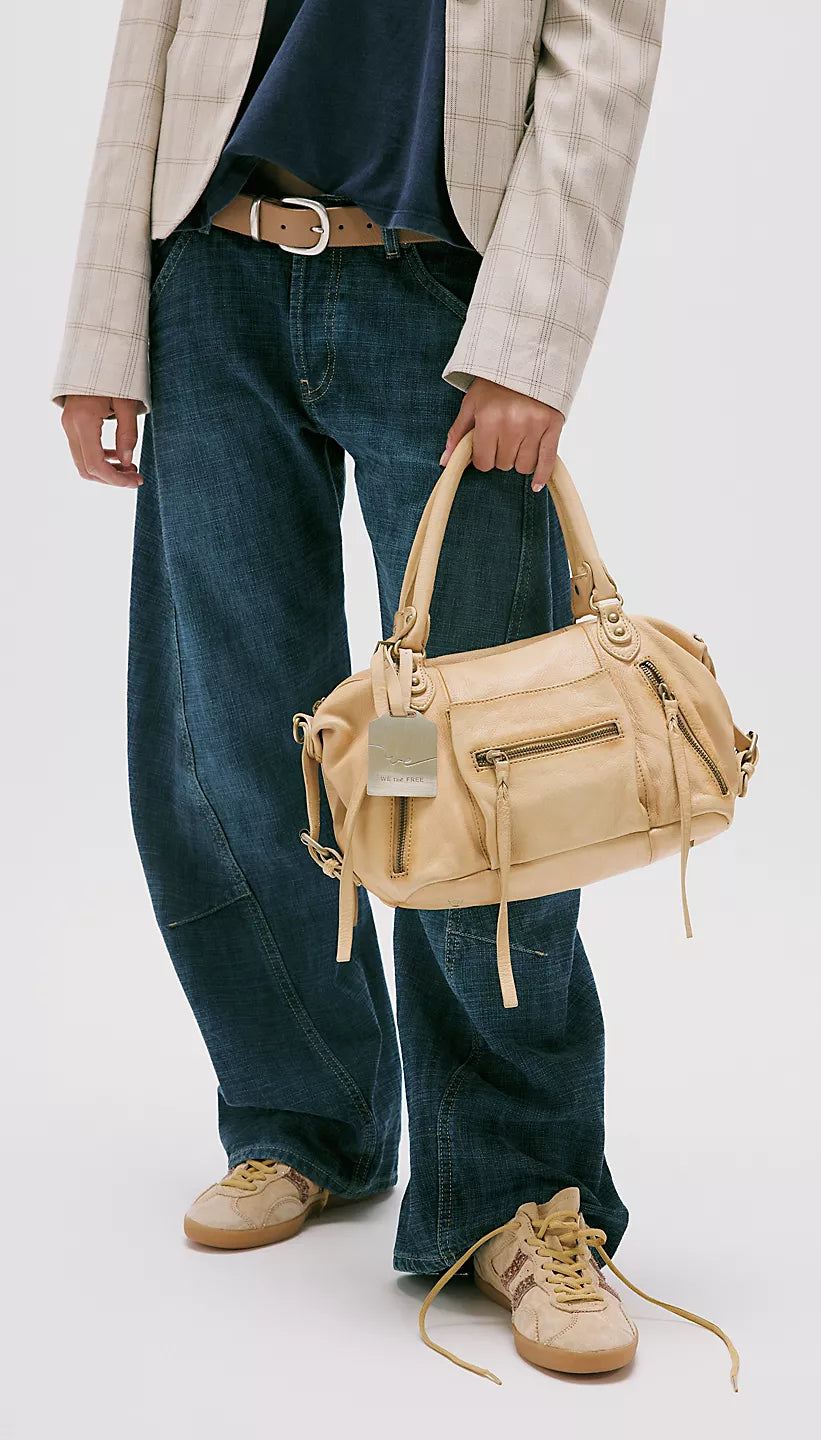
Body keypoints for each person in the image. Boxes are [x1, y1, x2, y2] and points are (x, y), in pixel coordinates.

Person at [54, 0, 672, 1380]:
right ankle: (304, 1115)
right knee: (232, 726)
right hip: (210, 275)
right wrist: (104, 328)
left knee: (464, 765)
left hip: (438, 299)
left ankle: (515, 1192)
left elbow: (604, 56)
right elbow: (149, 36)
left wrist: (531, 337)